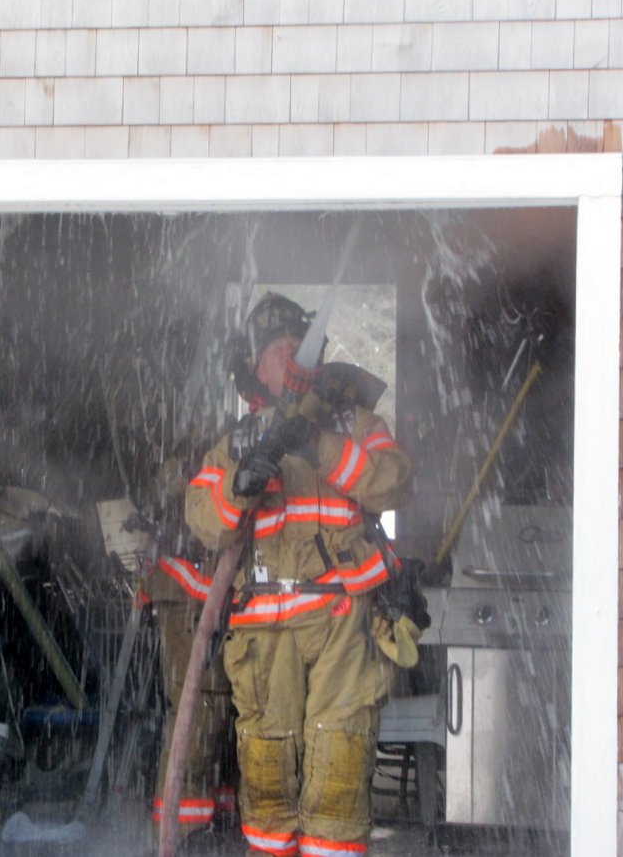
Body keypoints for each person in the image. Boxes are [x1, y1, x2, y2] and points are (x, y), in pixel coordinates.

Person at [184, 292, 418, 857]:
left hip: (343, 624)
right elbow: (202, 518)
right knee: (266, 780)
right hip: (265, 639)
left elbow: (395, 481)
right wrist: (240, 485)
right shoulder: (235, 442)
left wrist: (318, 444)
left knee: (338, 772)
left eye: (296, 346)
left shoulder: (353, 422)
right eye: (275, 350)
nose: (288, 357)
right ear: (256, 367)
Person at [139, 451, 238, 850]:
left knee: (230, 723)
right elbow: (171, 489)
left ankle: (218, 825)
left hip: (212, 594)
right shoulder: (204, 452)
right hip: (188, 593)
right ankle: (181, 834)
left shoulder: (231, 445)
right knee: (200, 716)